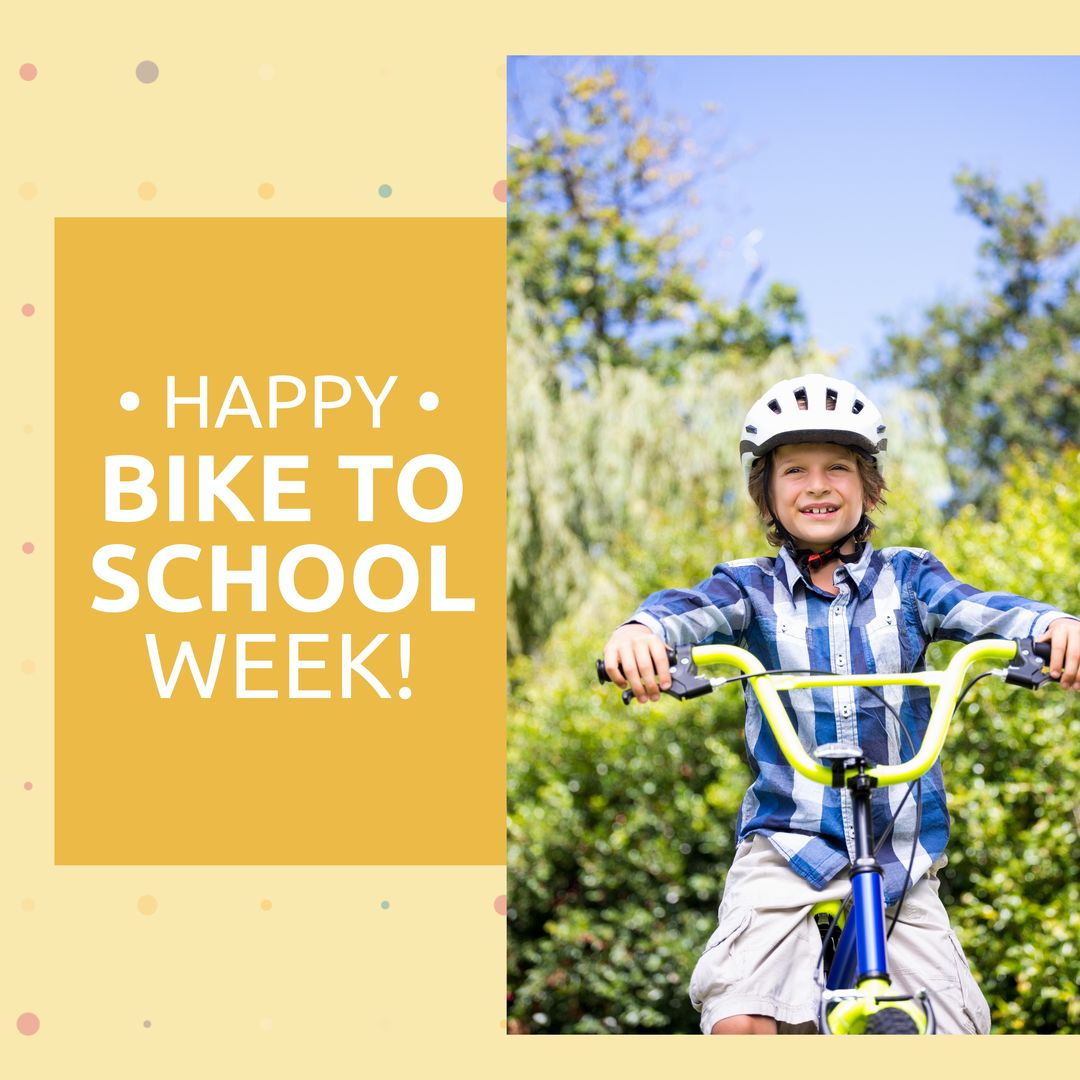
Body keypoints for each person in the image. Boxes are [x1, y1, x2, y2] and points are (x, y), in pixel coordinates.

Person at [601, 373, 1080, 1035]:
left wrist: (1052, 627)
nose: (818, 485)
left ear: (869, 484)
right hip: (786, 847)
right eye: (795, 470)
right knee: (742, 1018)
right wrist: (642, 632)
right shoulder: (750, 587)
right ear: (766, 491)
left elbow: (983, 612)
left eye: (839, 468)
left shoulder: (909, 578)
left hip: (899, 857)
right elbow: (687, 611)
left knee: (951, 1032)